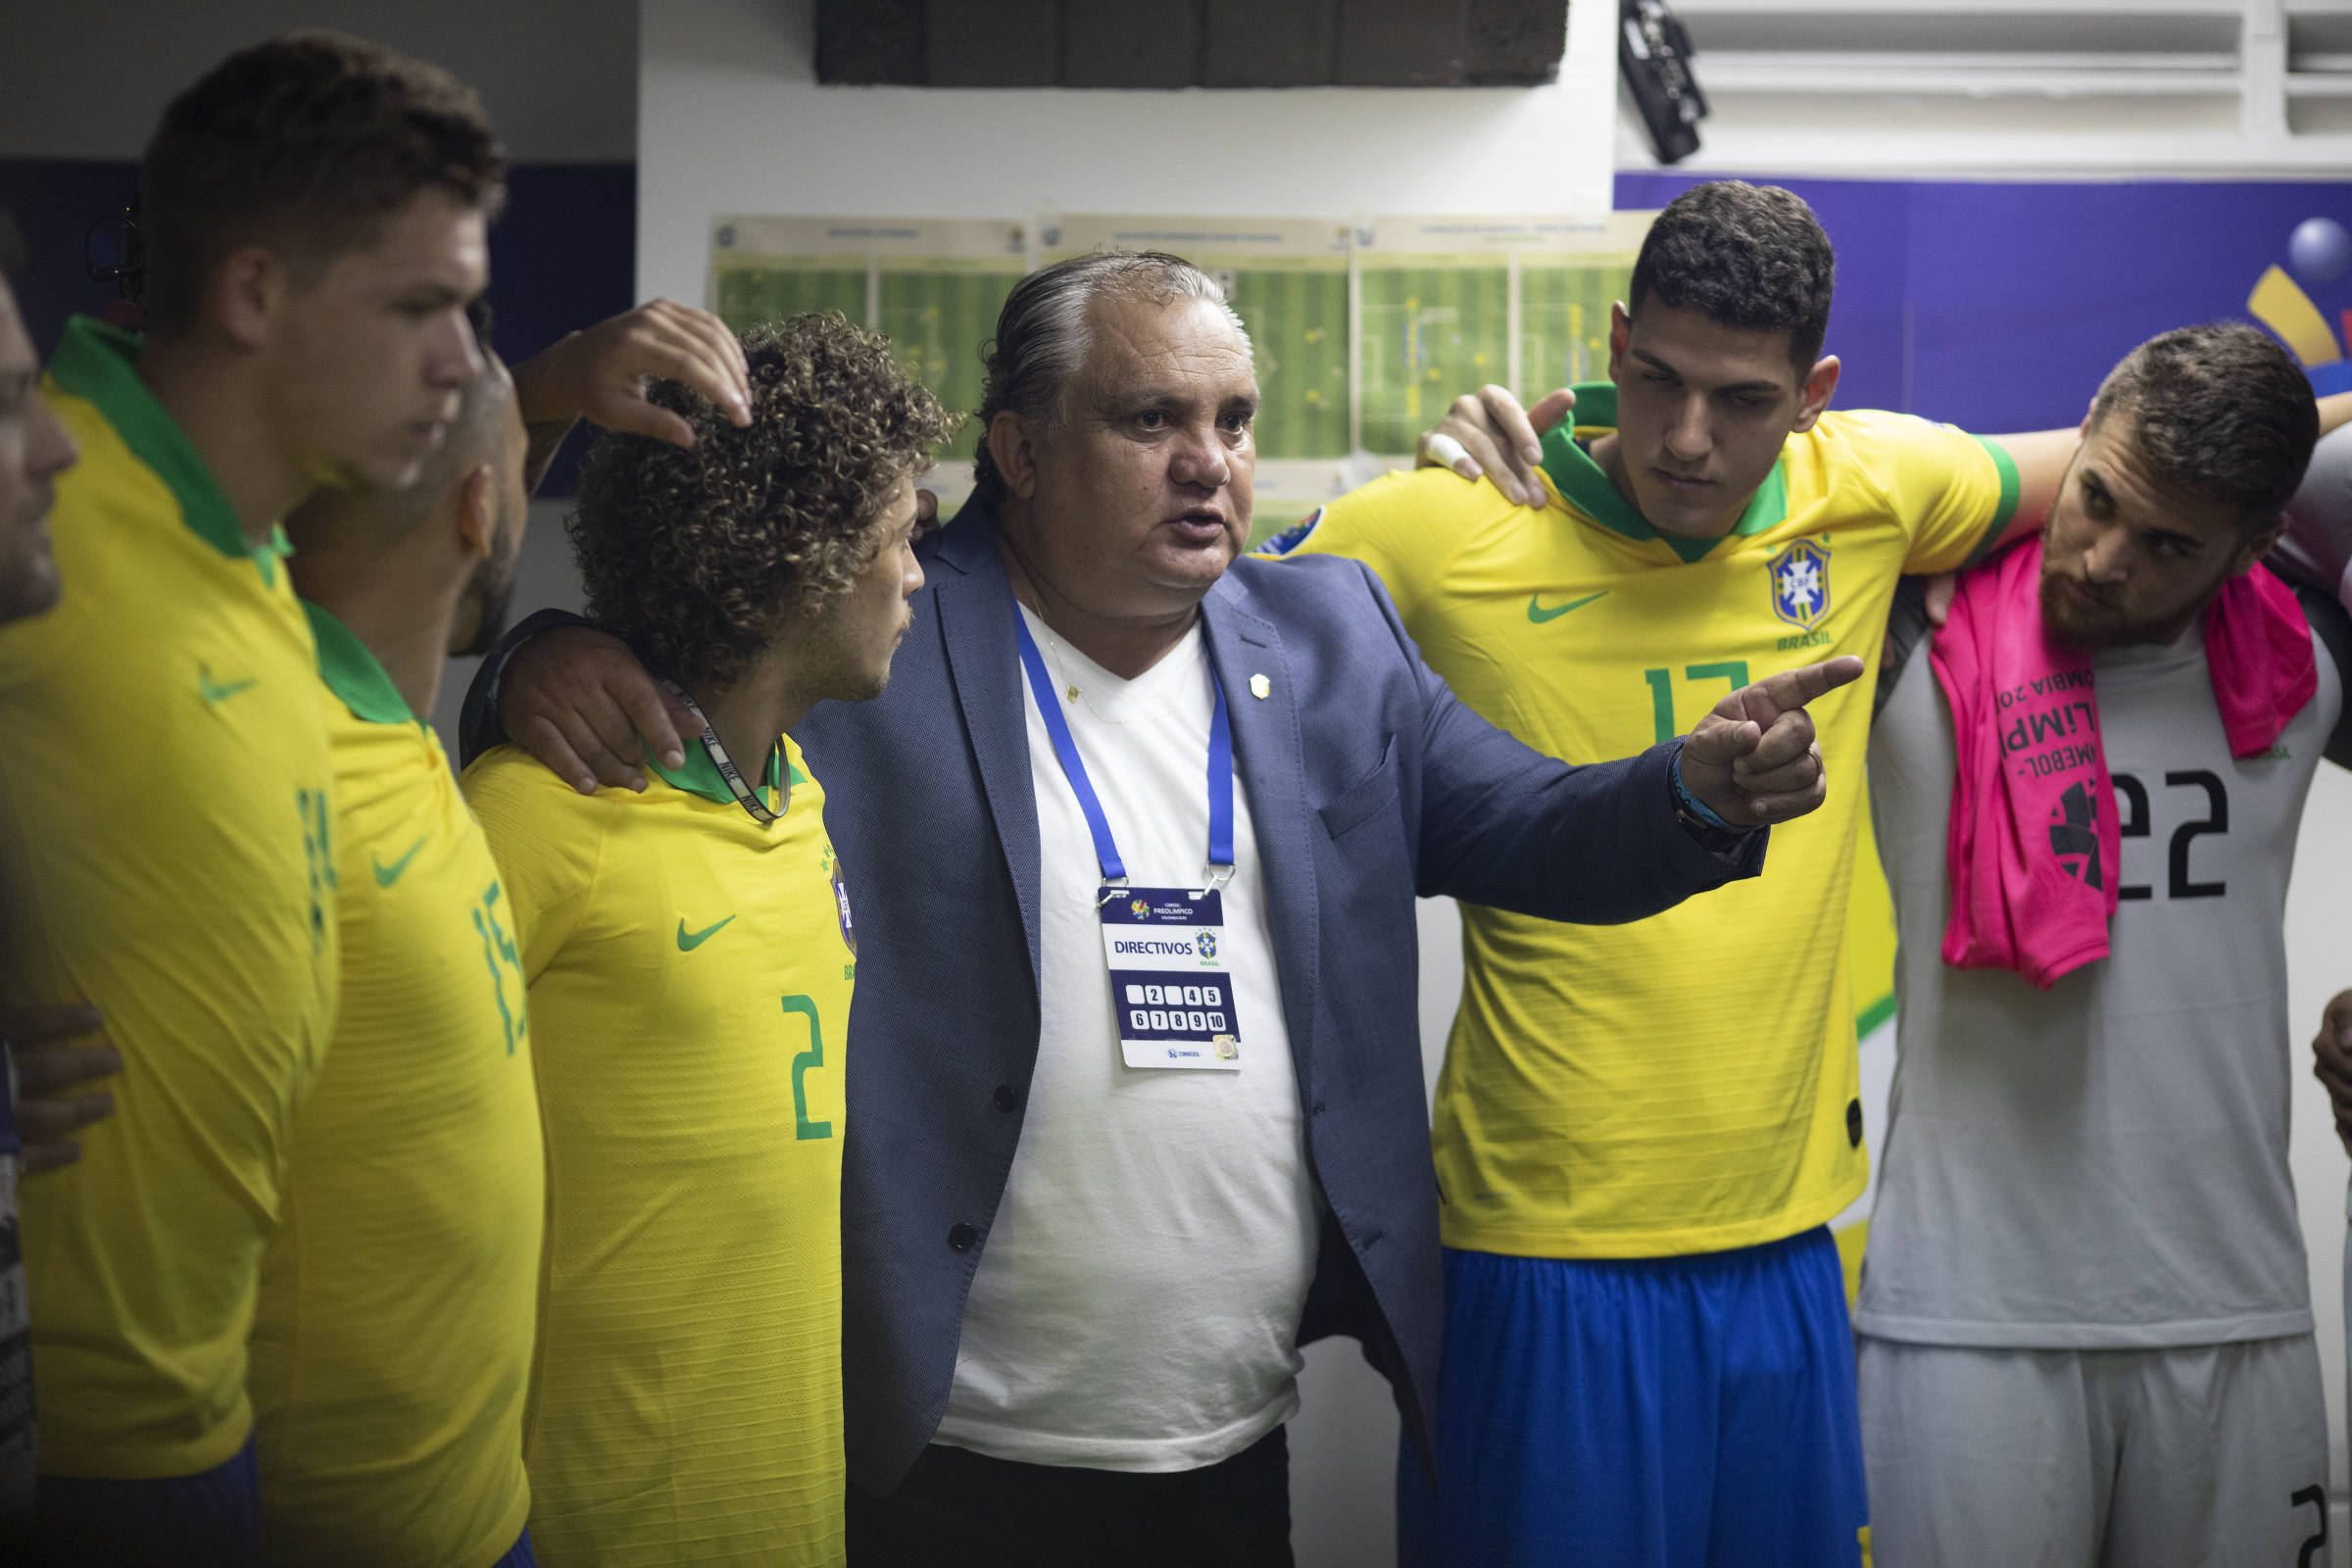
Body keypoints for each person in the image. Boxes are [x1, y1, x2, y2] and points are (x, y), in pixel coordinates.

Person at [464, 250, 1859, 1563]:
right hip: (927, 1449)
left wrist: (1696, 791)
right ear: (1017, 450)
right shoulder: (877, 626)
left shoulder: (1333, 639)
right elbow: (676, 653)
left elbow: (1531, 827)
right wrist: (538, 650)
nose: (1211, 464)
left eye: (1236, 421)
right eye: (1151, 419)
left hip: (1226, 1441)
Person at [1266, 180, 2072, 1566]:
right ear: (1619, 341)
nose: (1689, 438)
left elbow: (2160, 457)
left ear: (1814, 391)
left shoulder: (1875, 490)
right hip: (1537, 1253)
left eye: (1744, 401)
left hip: (1788, 1246)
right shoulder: (1438, 529)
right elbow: (1192, 639)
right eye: (1658, 382)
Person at [0, 33, 499, 1562]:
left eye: (467, 313)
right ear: (256, 292)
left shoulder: (255, 554)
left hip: (221, 1432)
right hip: (83, 1448)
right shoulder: (56, 508)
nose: (458, 364)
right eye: (419, 307)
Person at [463, 313, 950, 1565]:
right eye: (900, 540)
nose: (918, 577)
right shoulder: (541, 814)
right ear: (803, 559)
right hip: (586, 1525)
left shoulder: (796, 795)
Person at [1859, 324, 2340, 1566]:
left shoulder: (2302, 659)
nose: (2105, 558)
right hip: (1962, 1318)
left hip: (2233, 1310)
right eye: (2096, 498)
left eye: (2169, 544)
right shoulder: (1917, 635)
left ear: (2253, 546)